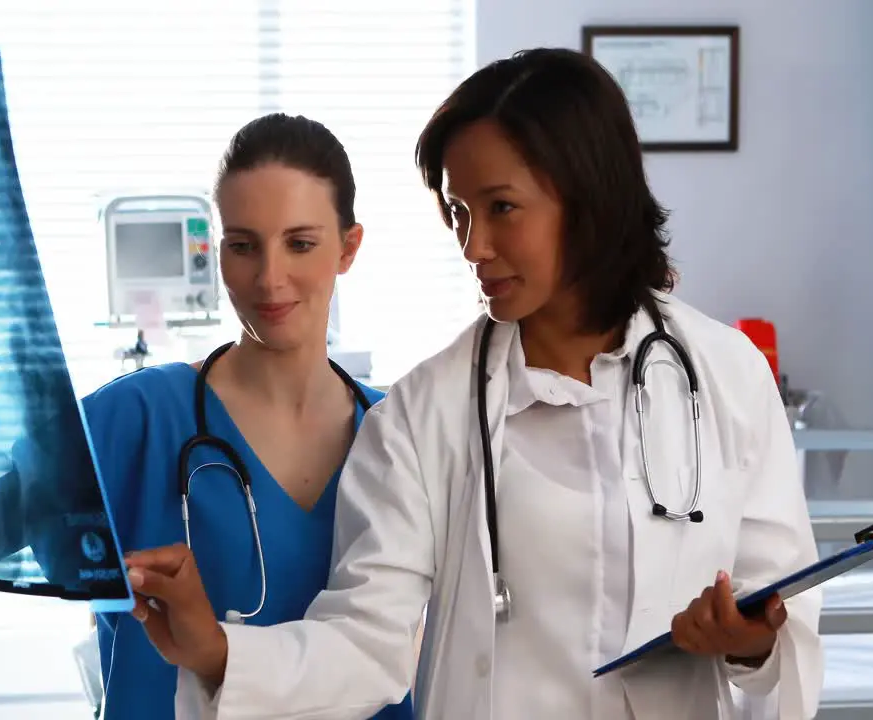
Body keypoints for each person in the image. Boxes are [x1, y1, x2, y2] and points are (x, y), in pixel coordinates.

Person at [124, 48, 824, 719]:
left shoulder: (725, 373)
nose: (473, 246)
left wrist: (752, 642)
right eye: (459, 213)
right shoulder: (423, 415)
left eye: (501, 208)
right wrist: (219, 654)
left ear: (587, 196)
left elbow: (782, 609)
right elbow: (368, 644)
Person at [0, 112, 414, 720]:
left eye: (300, 243)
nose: (269, 278)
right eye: (243, 245)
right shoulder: (139, 416)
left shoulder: (400, 437)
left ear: (348, 248)